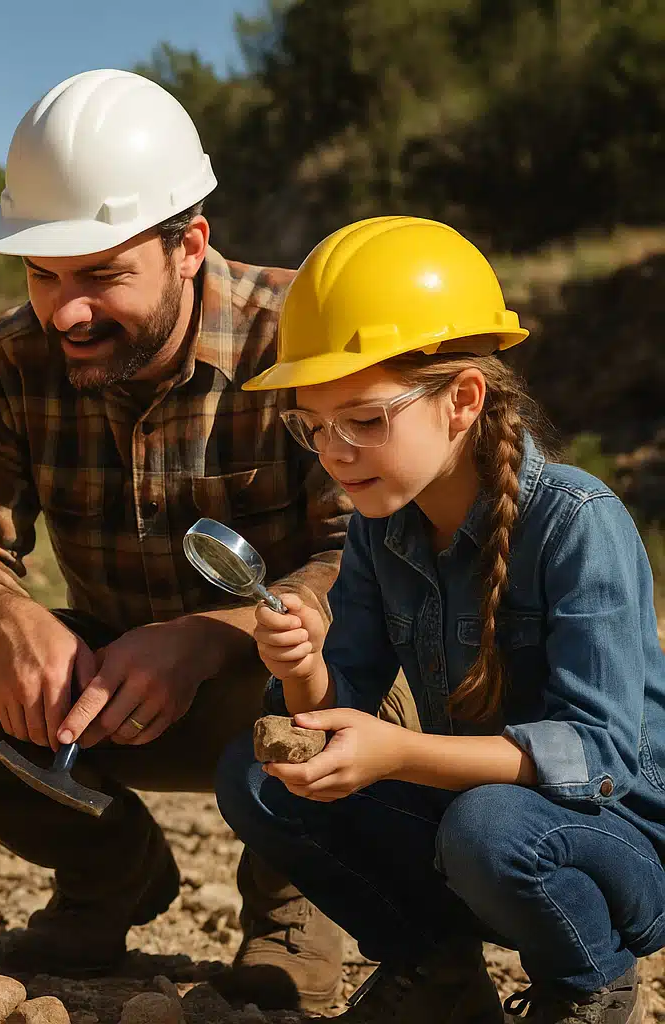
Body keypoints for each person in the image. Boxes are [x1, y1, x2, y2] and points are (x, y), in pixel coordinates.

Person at [0, 68, 415, 1011]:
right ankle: (109, 871)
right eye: (43, 275)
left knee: (367, 658)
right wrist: (9, 620)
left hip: (272, 690)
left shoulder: (298, 337)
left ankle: (294, 903)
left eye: (100, 275)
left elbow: (377, 556)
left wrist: (208, 635)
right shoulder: (11, 359)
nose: (68, 312)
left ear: (190, 245)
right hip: (97, 704)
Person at [215, 215, 665, 1024]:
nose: (335, 451)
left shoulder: (577, 521)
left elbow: (597, 755)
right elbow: (342, 695)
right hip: (478, 818)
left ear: (463, 399)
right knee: (257, 779)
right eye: (313, 426)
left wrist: (400, 754)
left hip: (615, 835)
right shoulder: (380, 528)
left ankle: (589, 981)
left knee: (486, 826)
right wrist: (302, 668)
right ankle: (438, 970)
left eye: (364, 418)